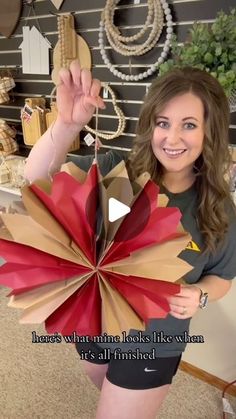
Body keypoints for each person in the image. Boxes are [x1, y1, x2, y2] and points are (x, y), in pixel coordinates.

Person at [24, 60, 236, 419]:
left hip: (154, 340)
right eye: (162, 123)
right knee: (108, 390)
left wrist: (199, 295)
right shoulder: (117, 171)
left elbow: (222, 278)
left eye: (188, 125)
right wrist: (66, 124)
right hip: (93, 319)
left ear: (209, 131)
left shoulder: (218, 210)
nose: (171, 138)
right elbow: (36, 179)